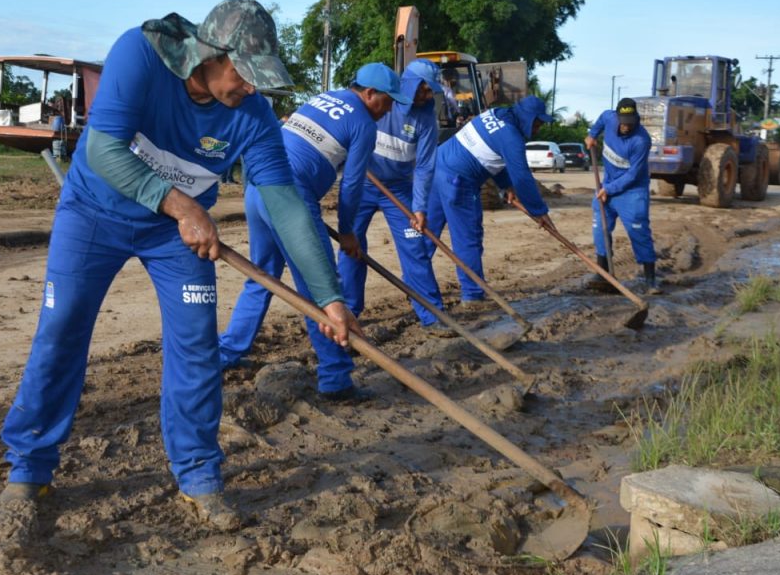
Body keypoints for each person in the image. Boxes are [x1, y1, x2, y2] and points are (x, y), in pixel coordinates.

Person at [0, 0, 360, 533]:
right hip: (95, 214)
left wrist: (328, 297)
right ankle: (29, 471)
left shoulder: (253, 116)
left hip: (174, 236)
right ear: (210, 55)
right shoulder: (138, 55)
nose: (252, 89)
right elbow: (102, 149)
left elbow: (285, 204)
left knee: (196, 344)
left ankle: (199, 476)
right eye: (245, 74)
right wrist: (181, 204)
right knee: (63, 326)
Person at [218, 63, 410, 400]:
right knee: (321, 287)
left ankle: (227, 353)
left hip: (258, 190)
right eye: (388, 100)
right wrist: (348, 231)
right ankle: (336, 379)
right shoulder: (363, 122)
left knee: (260, 276)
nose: (390, 108)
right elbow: (352, 185)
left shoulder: (323, 98)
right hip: (290, 196)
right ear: (369, 94)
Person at [336, 58, 448, 335]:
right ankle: (350, 310)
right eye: (424, 89)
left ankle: (432, 313)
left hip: (398, 188)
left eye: (430, 90)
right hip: (361, 183)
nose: (427, 95)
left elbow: (424, 166)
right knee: (351, 246)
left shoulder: (426, 119)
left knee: (415, 246)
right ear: (410, 84)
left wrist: (420, 208)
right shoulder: (381, 102)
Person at [425, 95, 556, 306]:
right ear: (527, 118)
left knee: (427, 232)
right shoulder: (511, 137)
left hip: (436, 169)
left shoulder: (495, 115)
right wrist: (539, 211)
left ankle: (416, 286)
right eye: (537, 123)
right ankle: (473, 294)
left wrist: (506, 186)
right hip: (459, 181)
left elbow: (492, 155)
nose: (538, 129)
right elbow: (522, 176)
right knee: (468, 238)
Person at [585, 97, 659, 293]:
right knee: (600, 228)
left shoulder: (641, 140)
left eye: (630, 122)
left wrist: (609, 189)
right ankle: (603, 272)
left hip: (632, 190)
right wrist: (592, 135)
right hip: (607, 185)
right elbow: (601, 118)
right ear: (617, 117)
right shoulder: (609, 119)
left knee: (638, 230)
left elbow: (633, 174)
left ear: (636, 119)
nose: (626, 126)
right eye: (623, 121)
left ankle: (650, 279)